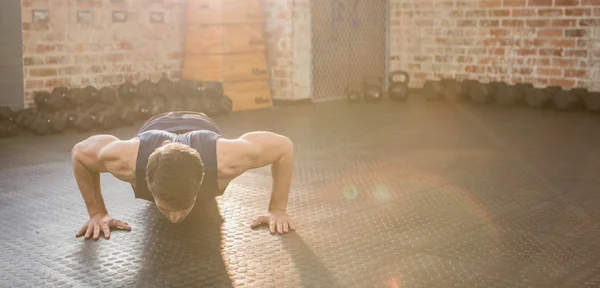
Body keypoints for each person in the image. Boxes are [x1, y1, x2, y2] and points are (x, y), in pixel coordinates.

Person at [71, 111, 296, 241]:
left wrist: (277, 209)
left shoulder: (226, 162)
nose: (176, 218)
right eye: (165, 208)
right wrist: (97, 213)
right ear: (147, 182)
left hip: (200, 123)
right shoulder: (126, 162)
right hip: (156, 123)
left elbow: (284, 147)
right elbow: (80, 153)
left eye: (185, 207)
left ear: (202, 180)